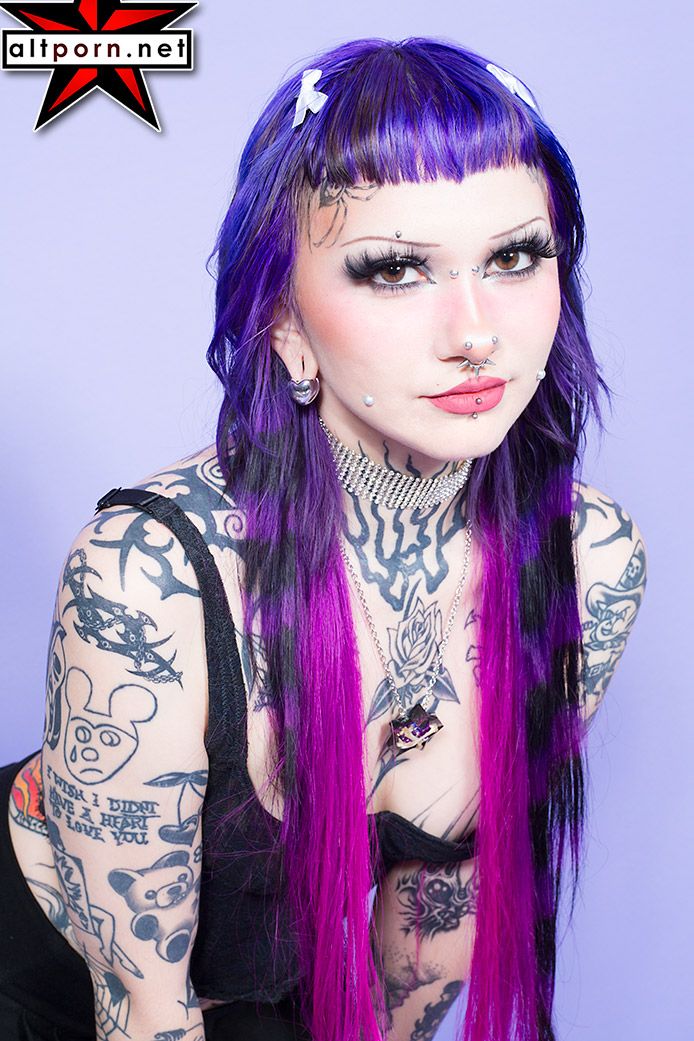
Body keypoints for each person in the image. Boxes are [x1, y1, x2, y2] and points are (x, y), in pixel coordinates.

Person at [1, 37, 646, 1041]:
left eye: (514, 257)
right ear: (286, 325)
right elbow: (140, 1011)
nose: (476, 332)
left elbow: (431, 930)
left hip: (253, 999)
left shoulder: (588, 560)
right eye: (395, 269)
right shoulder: (147, 576)